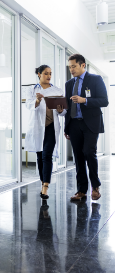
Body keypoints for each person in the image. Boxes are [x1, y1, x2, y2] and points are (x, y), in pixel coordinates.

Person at [64, 54, 108, 201]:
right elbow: (68, 106)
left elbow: (104, 101)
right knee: (78, 157)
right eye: (69, 67)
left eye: (74, 66)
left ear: (83, 65)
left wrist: (85, 100)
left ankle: (95, 186)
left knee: (89, 152)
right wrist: (66, 127)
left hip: (90, 123)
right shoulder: (69, 84)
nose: (71, 69)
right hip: (74, 124)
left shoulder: (96, 79)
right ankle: (81, 190)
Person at [25, 64, 66, 199]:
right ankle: (43, 182)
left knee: (47, 155)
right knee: (40, 156)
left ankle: (45, 187)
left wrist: (61, 111)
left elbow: (63, 111)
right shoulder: (32, 89)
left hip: (51, 127)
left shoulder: (57, 90)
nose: (49, 76)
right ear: (39, 74)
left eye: (50, 73)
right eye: (46, 73)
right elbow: (29, 105)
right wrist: (37, 100)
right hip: (37, 127)